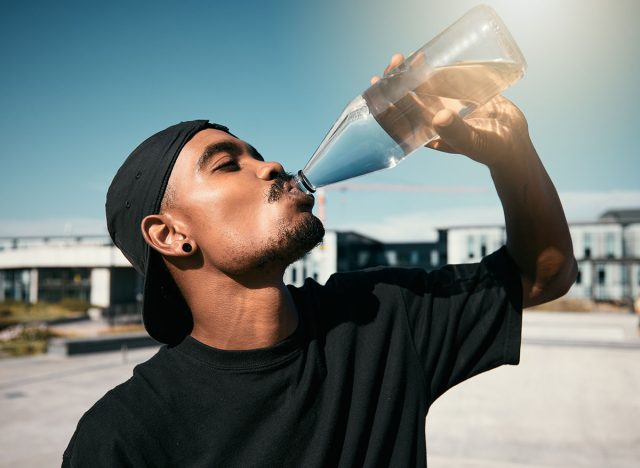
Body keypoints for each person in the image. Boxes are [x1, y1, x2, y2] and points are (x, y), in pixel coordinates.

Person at [62, 54, 577, 467]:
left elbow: (542, 273)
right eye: (226, 164)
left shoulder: (379, 316)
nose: (271, 166)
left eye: (256, 152)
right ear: (171, 235)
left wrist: (512, 153)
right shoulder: (123, 439)